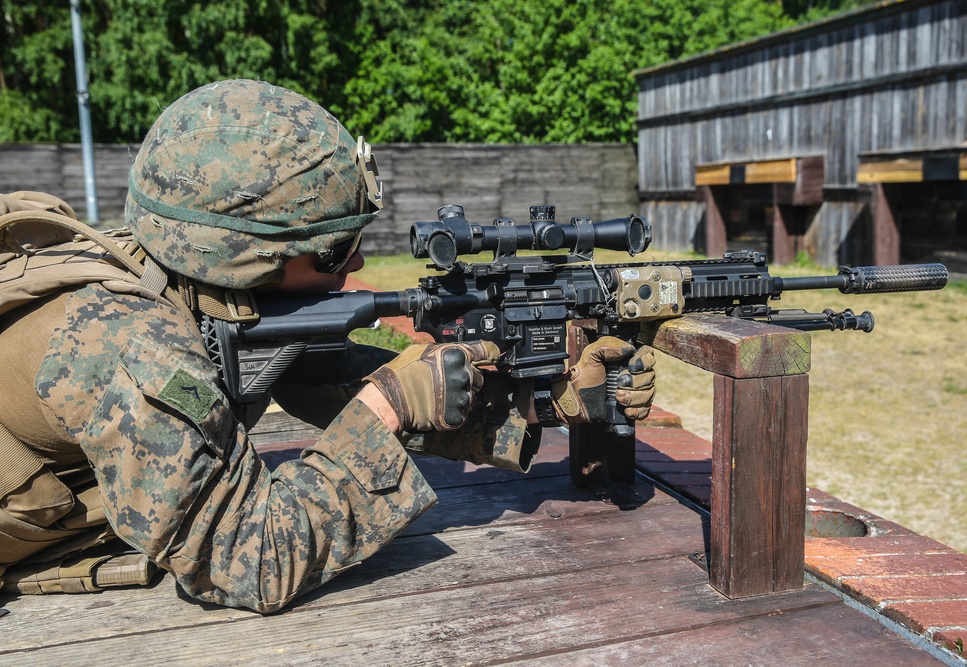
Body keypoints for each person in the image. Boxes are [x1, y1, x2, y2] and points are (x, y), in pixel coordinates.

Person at [0, 79, 656, 612]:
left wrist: (541, 400)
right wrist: (389, 406)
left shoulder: (197, 280)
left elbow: (336, 378)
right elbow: (249, 560)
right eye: (336, 249)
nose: (358, 261)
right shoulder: (127, 344)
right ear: (244, 257)